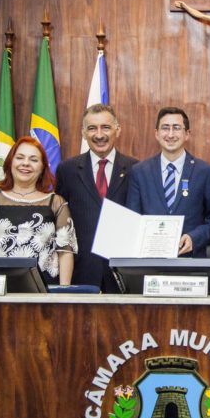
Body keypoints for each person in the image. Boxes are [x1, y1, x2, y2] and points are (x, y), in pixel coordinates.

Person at [0, 137, 77, 285]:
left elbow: (65, 252)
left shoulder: (57, 203)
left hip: (45, 291)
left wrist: (63, 291)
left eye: (33, 160)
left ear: (42, 167)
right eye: (19, 157)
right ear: (10, 163)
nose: (25, 163)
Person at [56, 104, 138, 292]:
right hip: (81, 270)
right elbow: (61, 223)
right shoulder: (67, 170)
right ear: (83, 133)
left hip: (123, 272)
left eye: (106, 127)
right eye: (92, 128)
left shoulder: (136, 169)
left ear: (118, 130)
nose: (99, 135)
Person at [126, 107, 210, 257]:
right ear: (156, 134)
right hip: (150, 261)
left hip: (191, 261)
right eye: (165, 128)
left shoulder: (206, 172)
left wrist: (194, 238)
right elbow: (132, 219)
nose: (170, 134)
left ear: (187, 134)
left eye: (176, 128)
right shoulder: (139, 172)